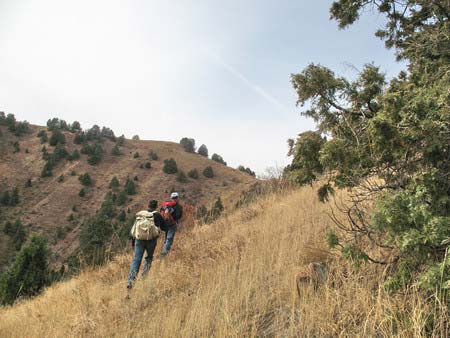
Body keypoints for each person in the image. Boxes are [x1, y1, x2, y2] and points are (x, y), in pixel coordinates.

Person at [127, 199, 166, 289]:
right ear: (156, 206)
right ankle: (144, 278)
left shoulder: (141, 214)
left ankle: (131, 281)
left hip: (139, 240)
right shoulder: (157, 215)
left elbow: (134, 229)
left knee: (136, 260)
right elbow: (164, 227)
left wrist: (133, 242)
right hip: (151, 240)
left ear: (148, 205)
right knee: (148, 258)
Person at [160, 192, 183, 257]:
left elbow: (160, 212)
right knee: (169, 239)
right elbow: (178, 216)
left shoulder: (165, 205)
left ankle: (164, 252)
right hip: (172, 224)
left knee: (166, 239)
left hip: (165, 224)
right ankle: (164, 255)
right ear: (177, 198)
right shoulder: (178, 206)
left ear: (171, 198)